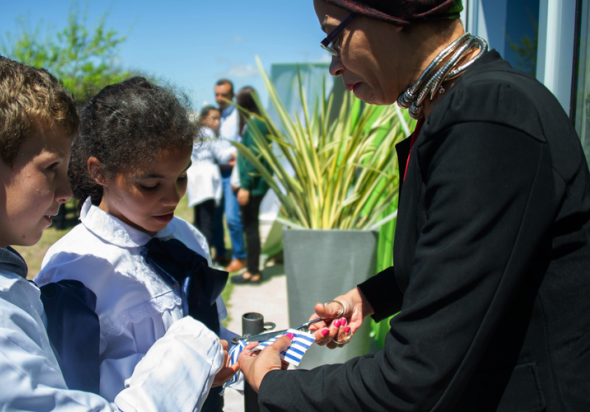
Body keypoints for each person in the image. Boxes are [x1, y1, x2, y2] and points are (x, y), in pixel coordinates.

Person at [238, 0, 590, 411]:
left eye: (334, 38)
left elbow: (413, 378)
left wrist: (274, 385)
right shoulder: (459, 108)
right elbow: (463, 259)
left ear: (395, 14)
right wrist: (367, 298)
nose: (334, 66)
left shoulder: (487, 116)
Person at [0, 50, 231, 412]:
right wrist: (191, 354)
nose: (67, 192)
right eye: (51, 168)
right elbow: (75, 385)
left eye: (181, 177)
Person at [34, 78, 239, 412]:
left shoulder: (187, 237)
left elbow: (207, 326)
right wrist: (188, 371)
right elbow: (71, 388)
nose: (172, 197)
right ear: (99, 171)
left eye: (181, 178)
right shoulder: (73, 269)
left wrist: (239, 350)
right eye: (150, 184)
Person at [231, 87, 272, 285]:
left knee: (250, 227)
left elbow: (254, 157)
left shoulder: (256, 123)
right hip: (256, 184)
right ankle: (252, 269)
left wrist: (245, 186)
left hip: (253, 185)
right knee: (250, 226)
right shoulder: (260, 121)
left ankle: (253, 271)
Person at [188, 105, 235, 248]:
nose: (217, 122)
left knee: (199, 220)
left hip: (194, 179)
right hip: (206, 180)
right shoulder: (208, 133)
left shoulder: (196, 133)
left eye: (219, 119)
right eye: (214, 118)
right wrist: (236, 150)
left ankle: (198, 254)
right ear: (203, 119)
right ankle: (207, 260)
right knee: (207, 221)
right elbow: (221, 155)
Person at [213, 78, 247, 272]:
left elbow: (243, 143)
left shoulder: (238, 116)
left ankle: (240, 256)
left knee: (233, 218)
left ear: (232, 95)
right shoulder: (217, 114)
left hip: (232, 172)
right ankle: (220, 252)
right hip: (216, 172)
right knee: (216, 217)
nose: (219, 98)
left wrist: (238, 156)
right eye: (217, 94)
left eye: (223, 95)